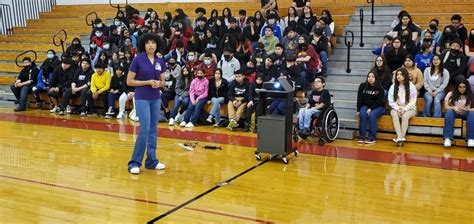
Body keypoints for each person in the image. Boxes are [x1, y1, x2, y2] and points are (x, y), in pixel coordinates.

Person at [127, 33, 167, 174]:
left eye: (153, 43)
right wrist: (147, 82)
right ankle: (134, 163)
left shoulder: (160, 61)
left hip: (155, 97)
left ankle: (151, 161)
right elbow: (129, 81)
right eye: (148, 42)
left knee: (153, 129)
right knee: (144, 129)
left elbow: (163, 80)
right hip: (142, 97)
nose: (151, 45)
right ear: (143, 45)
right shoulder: (138, 59)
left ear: (157, 45)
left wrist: (159, 84)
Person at [388, 67, 417, 144]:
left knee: (405, 116)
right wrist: (398, 109)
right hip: (397, 108)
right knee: (394, 114)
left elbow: (413, 101)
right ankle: (400, 137)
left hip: (410, 109)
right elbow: (391, 101)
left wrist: (404, 109)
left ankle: (401, 138)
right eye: (397, 74)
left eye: (401, 74)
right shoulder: (393, 86)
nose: (398, 76)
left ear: (405, 75)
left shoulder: (411, 86)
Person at [443, 79, 474, 147]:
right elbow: (446, 107)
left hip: (466, 113)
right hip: (455, 112)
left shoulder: (471, 94)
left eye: (464, 87)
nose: (462, 89)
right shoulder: (451, 93)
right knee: (449, 112)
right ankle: (448, 138)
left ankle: (471, 139)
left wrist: (468, 109)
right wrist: (454, 108)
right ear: (457, 87)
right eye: (460, 87)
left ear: (467, 87)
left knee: (472, 114)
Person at [356, 72, 385, 144]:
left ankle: (372, 137)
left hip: (378, 106)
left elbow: (379, 101)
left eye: (373, 77)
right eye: (369, 77)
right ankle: (362, 136)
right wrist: (358, 110)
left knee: (372, 115)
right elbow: (359, 99)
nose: (370, 78)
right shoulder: (362, 86)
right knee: (362, 114)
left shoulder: (380, 88)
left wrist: (371, 108)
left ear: (376, 78)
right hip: (366, 105)